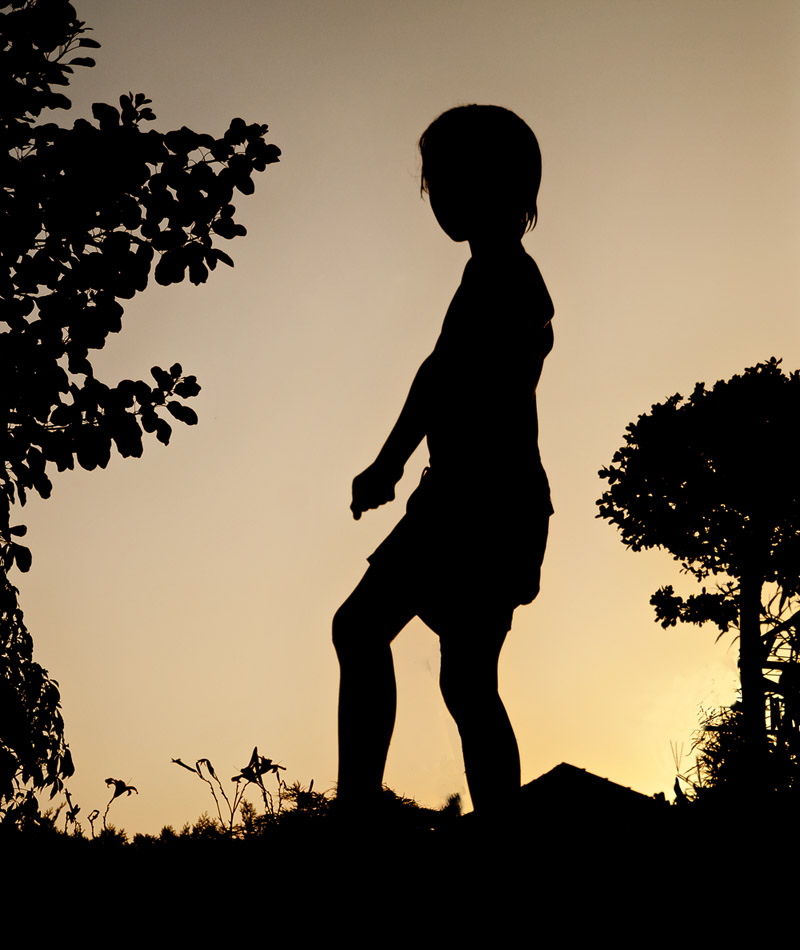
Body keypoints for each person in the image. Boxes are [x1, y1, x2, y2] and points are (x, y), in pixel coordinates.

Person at [333, 104, 554, 819]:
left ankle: (357, 811)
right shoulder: (492, 273)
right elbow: (442, 375)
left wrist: (388, 463)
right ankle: (484, 823)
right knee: (466, 683)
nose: (434, 196)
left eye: (441, 180)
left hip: (477, 504)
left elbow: (444, 378)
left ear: (486, 183)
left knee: (366, 631)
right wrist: (393, 464)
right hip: (486, 502)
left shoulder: (506, 281)